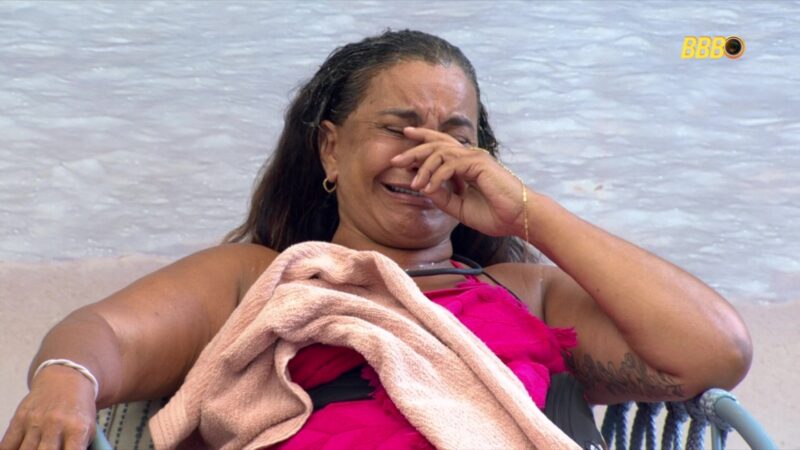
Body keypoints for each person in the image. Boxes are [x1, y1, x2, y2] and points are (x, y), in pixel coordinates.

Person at [1, 29, 752, 450]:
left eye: (456, 137)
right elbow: (104, 334)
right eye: (398, 129)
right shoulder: (264, 279)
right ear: (331, 149)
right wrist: (67, 379)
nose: (428, 156)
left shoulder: (525, 294)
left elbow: (711, 352)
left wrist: (528, 215)